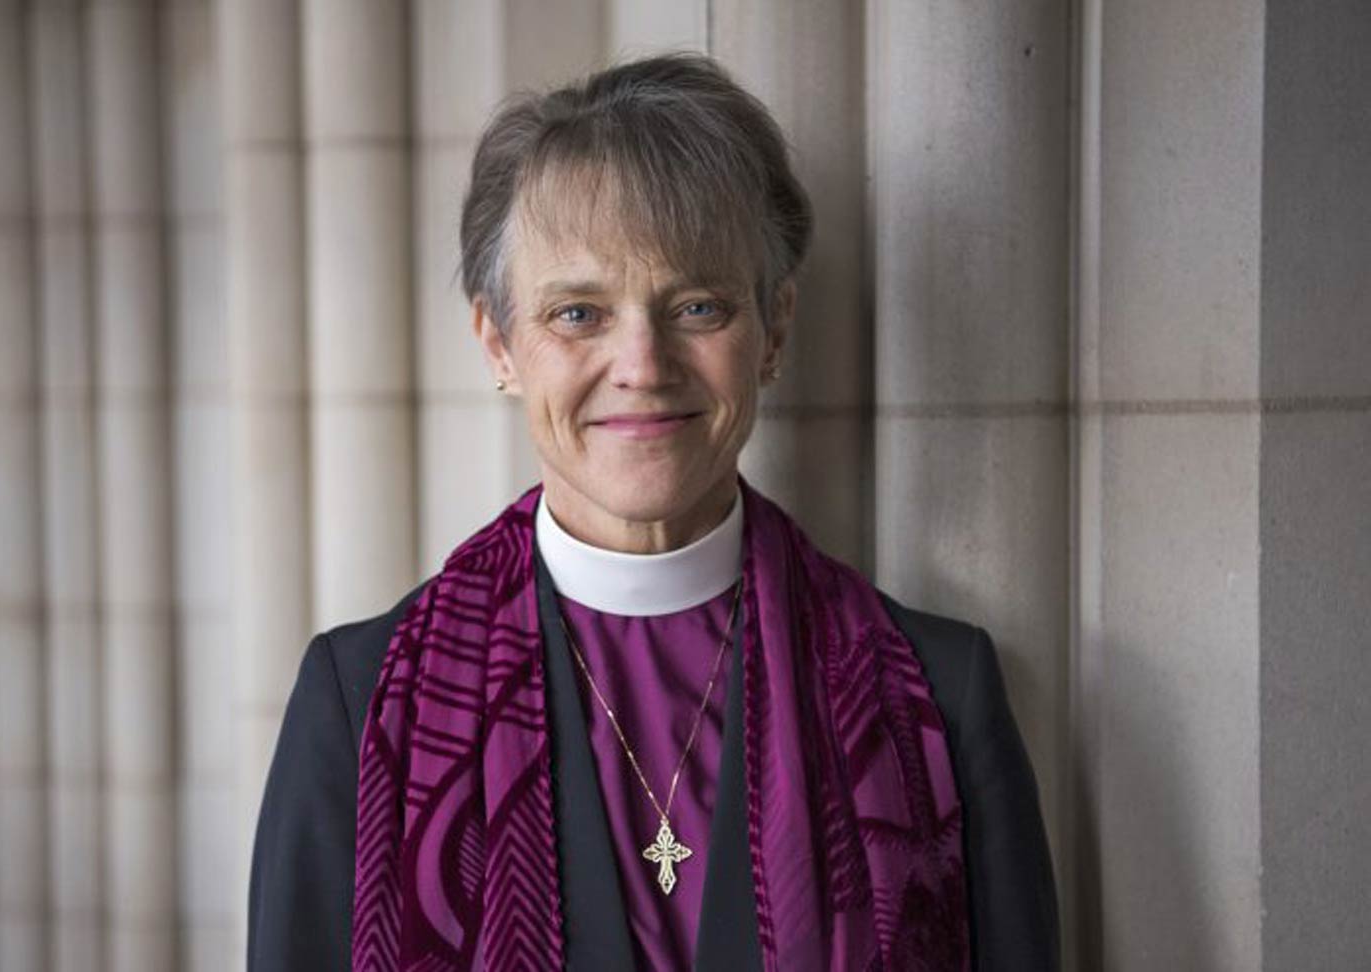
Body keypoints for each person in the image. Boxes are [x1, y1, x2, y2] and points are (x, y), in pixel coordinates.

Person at [248, 53, 1058, 972]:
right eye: (579, 314)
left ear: (774, 332)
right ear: (498, 344)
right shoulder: (355, 705)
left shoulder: (941, 694)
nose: (643, 364)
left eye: (698, 305)